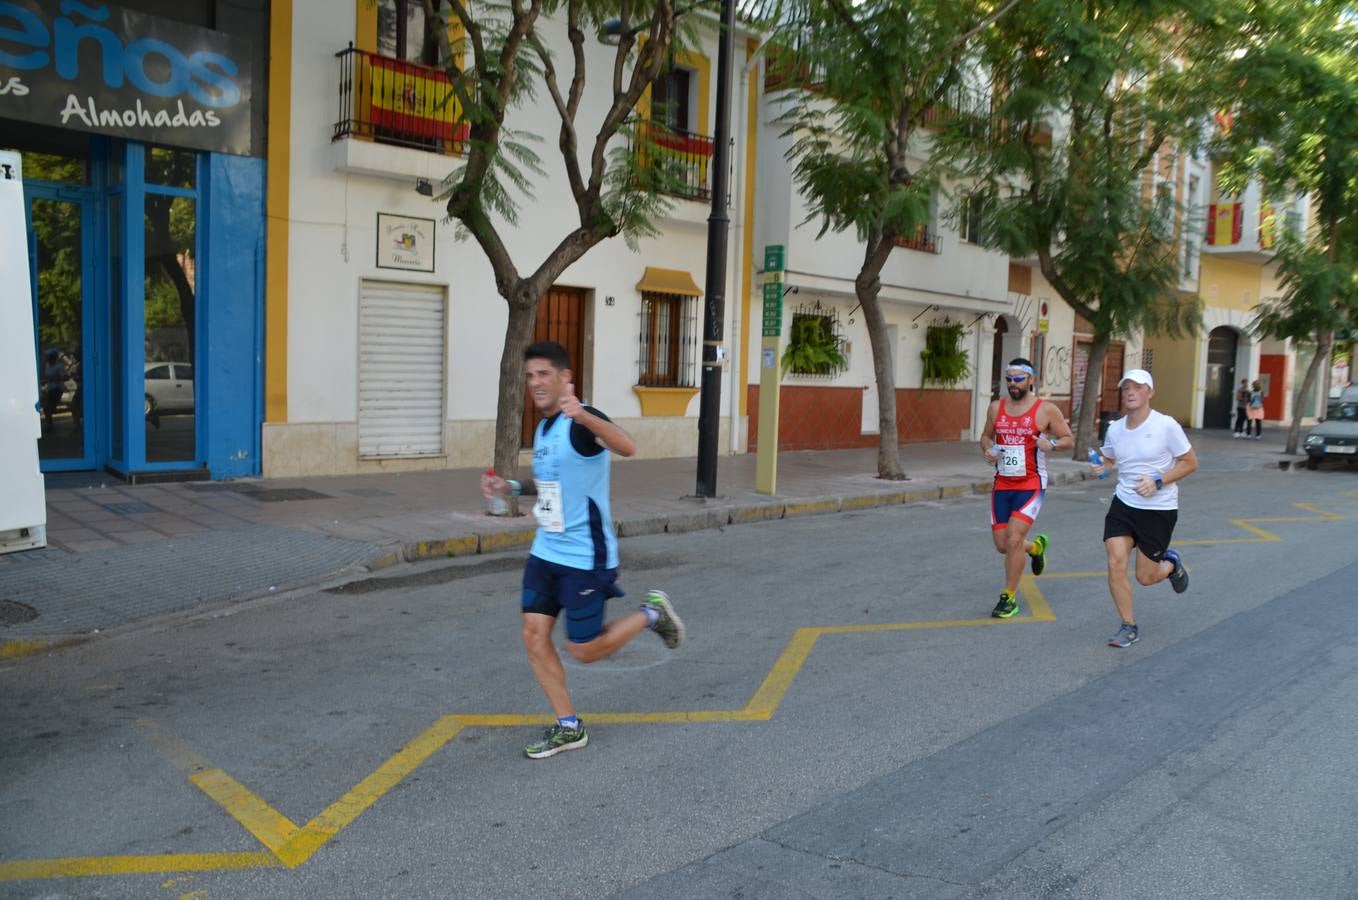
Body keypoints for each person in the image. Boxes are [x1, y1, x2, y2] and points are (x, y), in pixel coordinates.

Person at [482, 341, 685, 759]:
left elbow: (628, 447)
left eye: (544, 374)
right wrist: (513, 488)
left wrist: (586, 415)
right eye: (530, 375)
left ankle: (652, 614)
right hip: (546, 552)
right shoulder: (543, 429)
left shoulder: (580, 421)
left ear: (565, 379)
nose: (535, 382)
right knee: (534, 635)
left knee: (583, 649)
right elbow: (553, 482)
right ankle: (569, 726)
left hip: (584, 557)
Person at [1088, 369, 1198, 648]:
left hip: (1158, 509)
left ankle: (1171, 564)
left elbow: (1189, 462)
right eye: (1126, 388)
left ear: (1150, 392)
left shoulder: (1166, 425)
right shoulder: (1115, 428)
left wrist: (1158, 481)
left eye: (1138, 387)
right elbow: (1110, 459)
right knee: (1115, 562)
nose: (1131, 393)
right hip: (1123, 504)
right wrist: (1103, 467)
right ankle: (1128, 625)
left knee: (1146, 577)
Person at [979, 358, 1074, 619]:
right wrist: (988, 449)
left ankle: (1008, 597)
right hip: (1002, 483)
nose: (1012, 383)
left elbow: (1068, 439)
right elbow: (985, 436)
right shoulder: (996, 408)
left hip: (1031, 484)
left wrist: (1051, 445)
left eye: (1018, 379)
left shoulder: (1046, 410)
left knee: (1012, 540)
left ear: (1031, 380)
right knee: (1002, 545)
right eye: (1009, 378)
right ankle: (1036, 548)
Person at [41, 349, 67, 431]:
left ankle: (50, 426)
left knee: (48, 407)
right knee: (46, 407)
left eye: (50, 356)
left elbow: (62, 377)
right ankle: (50, 425)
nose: (48, 358)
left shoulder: (59, 366)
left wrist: (51, 378)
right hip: (50, 389)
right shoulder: (48, 366)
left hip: (57, 389)